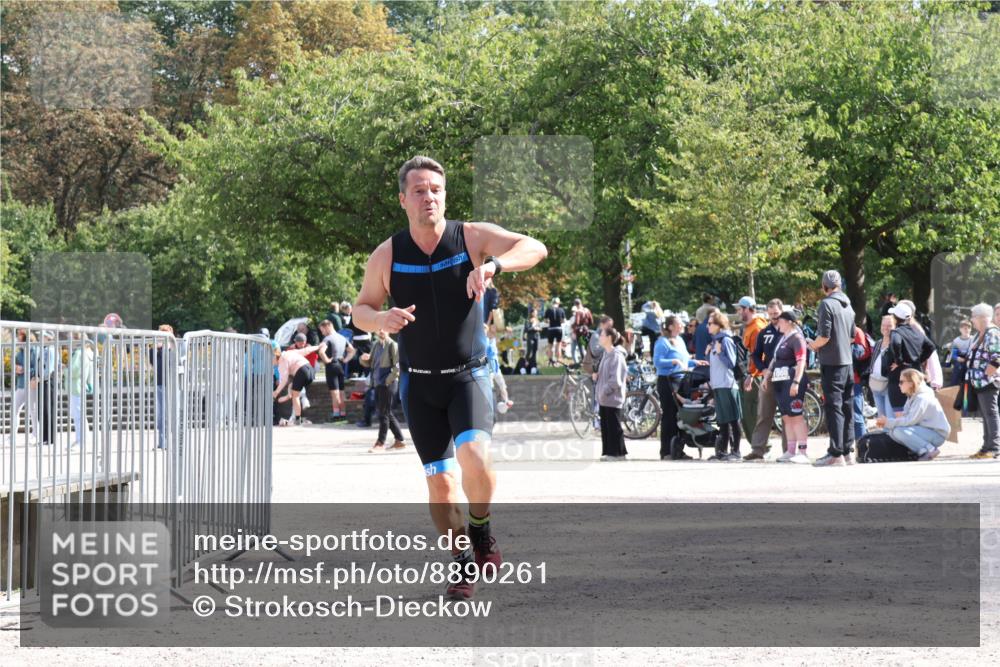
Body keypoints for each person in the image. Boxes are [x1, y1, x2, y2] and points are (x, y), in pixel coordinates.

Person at [351, 155, 547, 600]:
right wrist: (381, 317)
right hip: (419, 383)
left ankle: (481, 528)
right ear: (403, 199)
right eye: (419, 191)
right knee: (439, 483)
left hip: (469, 376)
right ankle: (460, 564)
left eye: (436, 190)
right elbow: (360, 310)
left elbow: (534, 246)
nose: (429, 198)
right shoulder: (387, 255)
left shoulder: (470, 236)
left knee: (474, 456)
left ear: (445, 195)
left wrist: (495, 266)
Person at [810, 270, 857, 467]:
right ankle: (848, 452)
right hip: (847, 363)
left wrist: (812, 344)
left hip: (832, 363)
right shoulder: (848, 306)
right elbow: (853, 337)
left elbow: (824, 336)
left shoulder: (826, 304)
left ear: (824, 286)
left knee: (834, 407)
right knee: (847, 407)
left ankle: (835, 453)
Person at [653, 315, 708, 460]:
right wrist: (673, 361)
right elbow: (658, 362)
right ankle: (666, 451)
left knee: (680, 416)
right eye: (679, 324)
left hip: (681, 380)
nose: (682, 326)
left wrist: (695, 362)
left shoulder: (680, 340)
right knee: (669, 415)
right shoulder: (662, 342)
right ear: (670, 326)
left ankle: (678, 449)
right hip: (668, 381)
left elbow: (684, 361)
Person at [762, 311, 811, 463]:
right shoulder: (783, 338)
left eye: (780, 321)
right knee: (786, 417)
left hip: (792, 381)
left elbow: (801, 361)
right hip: (779, 381)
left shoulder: (797, 338)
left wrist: (796, 381)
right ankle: (790, 451)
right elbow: (775, 359)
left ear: (789, 322)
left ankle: (803, 452)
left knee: (796, 416)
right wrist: (766, 376)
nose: (777, 323)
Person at [873, 368, 949, 461]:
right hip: (926, 430)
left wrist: (888, 422)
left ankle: (930, 450)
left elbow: (910, 420)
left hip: (937, 434)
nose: (899, 385)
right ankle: (920, 450)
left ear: (911, 383)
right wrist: (888, 423)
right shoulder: (913, 396)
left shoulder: (922, 398)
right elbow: (906, 417)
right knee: (893, 432)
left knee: (899, 431)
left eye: (901, 382)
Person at [884, 302, 936, 415]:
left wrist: (899, 361)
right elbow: (931, 346)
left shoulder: (896, 332)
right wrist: (918, 360)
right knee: (916, 413)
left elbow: (896, 343)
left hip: (900, 379)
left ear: (895, 318)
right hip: (916, 376)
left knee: (900, 416)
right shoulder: (917, 332)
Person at [361, 329, 406, 453]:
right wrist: (363, 359)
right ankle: (399, 440)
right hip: (378, 383)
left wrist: (388, 380)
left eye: (384, 329)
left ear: (389, 331)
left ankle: (380, 443)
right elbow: (369, 363)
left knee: (383, 414)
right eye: (379, 328)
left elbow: (398, 366)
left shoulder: (393, 345)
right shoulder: (376, 344)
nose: (381, 331)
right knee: (385, 412)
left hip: (387, 384)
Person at [706, 311, 742, 462]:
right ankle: (722, 451)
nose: (707, 326)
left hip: (727, 385)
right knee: (722, 420)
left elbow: (731, 363)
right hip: (718, 385)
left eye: (710, 323)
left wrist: (720, 353)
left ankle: (736, 451)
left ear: (719, 325)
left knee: (733, 419)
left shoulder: (725, 340)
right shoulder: (715, 341)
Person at [736, 296, 769, 460]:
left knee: (751, 412)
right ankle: (759, 446)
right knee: (750, 412)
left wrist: (752, 375)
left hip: (754, 375)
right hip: (750, 373)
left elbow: (758, 355)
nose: (738, 311)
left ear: (748, 309)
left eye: (740, 308)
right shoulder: (750, 326)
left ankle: (760, 448)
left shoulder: (756, 328)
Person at [968, 302, 1000, 459]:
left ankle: (994, 447)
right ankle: (986, 446)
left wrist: (989, 371)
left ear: (981, 318)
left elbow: (997, 354)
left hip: (988, 381)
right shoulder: (980, 334)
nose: (971, 320)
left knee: (991, 413)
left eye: (973, 317)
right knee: (986, 414)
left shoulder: (991, 332)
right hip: (979, 382)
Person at [596, 327, 629, 461]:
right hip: (604, 398)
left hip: (612, 397)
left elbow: (616, 380)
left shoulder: (616, 355)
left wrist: (604, 390)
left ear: (609, 338)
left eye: (602, 335)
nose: (600, 337)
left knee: (614, 426)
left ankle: (618, 453)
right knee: (606, 426)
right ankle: (610, 452)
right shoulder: (606, 354)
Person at [273, 341, 322, 425]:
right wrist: (318, 347)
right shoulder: (290, 352)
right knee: (294, 388)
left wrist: (276, 393)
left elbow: (284, 380)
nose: (271, 363)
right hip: (310, 370)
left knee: (295, 396)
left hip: (301, 371)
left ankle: (297, 419)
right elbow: (306, 350)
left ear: (275, 357)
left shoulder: (282, 362)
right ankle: (303, 400)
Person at [318, 319, 355, 422]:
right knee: (342, 393)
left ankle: (336, 416)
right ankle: (343, 415)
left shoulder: (327, 339)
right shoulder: (342, 338)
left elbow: (321, 352)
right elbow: (352, 350)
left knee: (335, 393)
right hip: (341, 366)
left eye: (322, 330)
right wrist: (346, 359)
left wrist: (326, 360)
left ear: (327, 327)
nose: (322, 333)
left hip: (331, 365)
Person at [12, 329, 40, 445]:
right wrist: (16, 368)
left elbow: (37, 368)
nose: (17, 339)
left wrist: (24, 369)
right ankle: (12, 436)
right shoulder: (20, 352)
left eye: (19, 337)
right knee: (14, 410)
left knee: (32, 411)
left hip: (31, 385)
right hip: (20, 385)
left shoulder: (35, 351)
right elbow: (15, 365)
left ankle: (36, 435)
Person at [67, 333, 94, 449]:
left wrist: (65, 370)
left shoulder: (79, 353)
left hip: (76, 386)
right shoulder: (90, 353)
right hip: (82, 385)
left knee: (77, 415)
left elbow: (74, 371)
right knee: (80, 414)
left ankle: (80, 441)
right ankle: (84, 439)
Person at [868, 315, 895, 418]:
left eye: (889, 325)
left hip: (889, 385)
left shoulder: (895, 344)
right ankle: (884, 434)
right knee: (881, 418)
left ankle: (889, 435)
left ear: (895, 327)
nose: (885, 328)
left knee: (890, 417)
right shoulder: (878, 343)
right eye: (883, 325)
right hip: (876, 384)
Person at [850, 324, 873, 440]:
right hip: (844, 379)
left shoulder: (856, 331)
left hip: (854, 379)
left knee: (857, 416)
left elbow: (860, 352)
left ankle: (862, 446)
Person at [38, 330, 58, 446]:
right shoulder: (45, 349)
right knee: (43, 410)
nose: (42, 337)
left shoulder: (50, 350)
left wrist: (40, 379)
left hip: (47, 381)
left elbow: (49, 369)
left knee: (48, 409)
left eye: (44, 336)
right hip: (43, 381)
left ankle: (50, 438)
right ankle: (45, 437)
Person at [946, 319, 974, 388]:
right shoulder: (956, 341)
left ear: (970, 329)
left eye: (968, 328)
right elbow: (952, 353)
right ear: (960, 329)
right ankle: (953, 386)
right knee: (958, 367)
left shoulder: (973, 339)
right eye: (964, 328)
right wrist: (957, 358)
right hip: (960, 359)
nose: (966, 330)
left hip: (970, 359)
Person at [544, 297, 566, 364]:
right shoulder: (561, 310)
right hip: (559, 329)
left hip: (551, 329)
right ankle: (558, 360)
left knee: (550, 346)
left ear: (552, 303)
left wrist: (550, 322)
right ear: (558, 303)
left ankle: (550, 360)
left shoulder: (548, 310)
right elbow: (563, 320)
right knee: (558, 345)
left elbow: (545, 320)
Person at [572, 298, 594, 364]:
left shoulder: (578, 312)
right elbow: (591, 321)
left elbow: (577, 323)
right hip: (586, 330)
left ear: (575, 305)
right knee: (587, 346)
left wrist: (573, 330)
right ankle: (591, 360)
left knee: (581, 346)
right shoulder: (587, 310)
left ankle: (585, 362)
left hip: (580, 332)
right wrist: (586, 326)